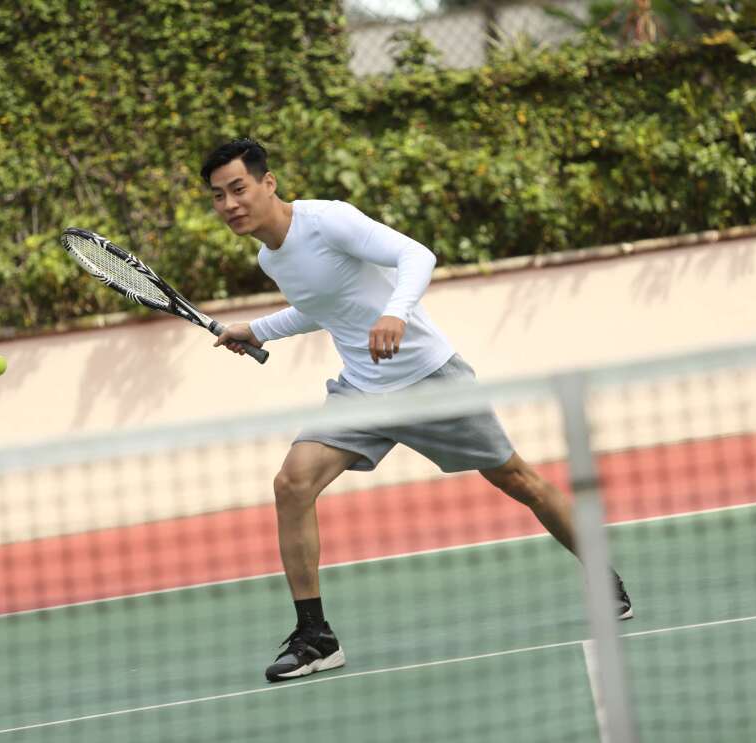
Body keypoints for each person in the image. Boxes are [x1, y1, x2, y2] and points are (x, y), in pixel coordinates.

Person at [200, 138, 632, 683]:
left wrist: (396, 314)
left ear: (269, 182)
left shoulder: (328, 221)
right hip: (362, 391)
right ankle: (316, 637)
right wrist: (259, 329)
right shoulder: (270, 257)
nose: (230, 204)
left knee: (518, 480)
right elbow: (321, 307)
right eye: (218, 196)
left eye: (238, 188)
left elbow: (417, 255)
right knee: (292, 484)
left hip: (429, 380)